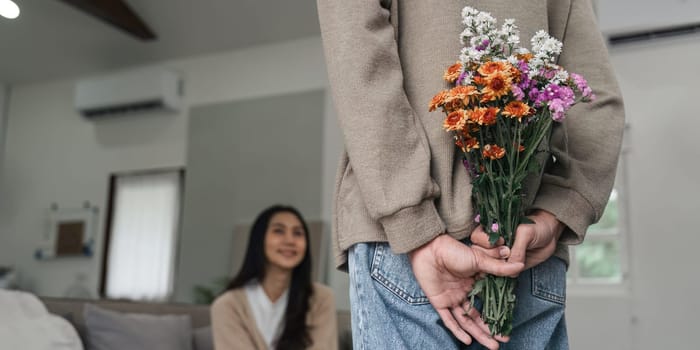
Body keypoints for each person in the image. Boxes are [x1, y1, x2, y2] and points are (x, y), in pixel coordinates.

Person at [317, 0, 624, 349]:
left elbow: (358, 54)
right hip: (524, 243)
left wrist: (414, 225)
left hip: (411, 247)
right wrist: (558, 212)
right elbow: (595, 95)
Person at [211, 205, 338, 350]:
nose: (290, 240)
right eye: (279, 231)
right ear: (259, 240)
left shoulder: (321, 299)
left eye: (297, 233)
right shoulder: (228, 305)